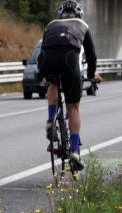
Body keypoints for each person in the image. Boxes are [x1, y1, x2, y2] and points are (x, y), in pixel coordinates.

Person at [38, 0, 101, 171]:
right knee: (73, 107)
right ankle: (74, 150)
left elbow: (44, 48)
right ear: (78, 15)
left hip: (46, 60)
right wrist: (91, 75)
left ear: (61, 15)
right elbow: (92, 55)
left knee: (52, 83)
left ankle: (51, 120)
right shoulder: (82, 25)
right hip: (69, 62)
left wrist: (43, 74)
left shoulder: (51, 24)